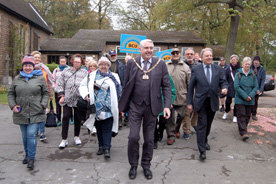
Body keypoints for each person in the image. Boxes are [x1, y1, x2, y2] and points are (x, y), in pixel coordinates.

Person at [119, 39, 171, 180]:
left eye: (151, 48)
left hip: (152, 107)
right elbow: (126, 85)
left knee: (149, 139)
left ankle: (146, 165)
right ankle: (133, 165)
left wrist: (166, 106)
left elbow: (166, 86)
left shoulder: (160, 64)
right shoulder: (132, 63)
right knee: (133, 137)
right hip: (135, 106)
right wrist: (123, 106)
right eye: (146, 48)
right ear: (140, 50)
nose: (149, 50)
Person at [8, 55, 49, 170]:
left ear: (33, 66)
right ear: (23, 67)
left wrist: (43, 104)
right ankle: (27, 154)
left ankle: (31, 158)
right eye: (25, 65)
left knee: (31, 134)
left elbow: (45, 93)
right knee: (25, 135)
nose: (27, 68)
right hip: (21, 111)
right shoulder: (17, 78)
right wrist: (13, 106)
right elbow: (11, 93)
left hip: (36, 110)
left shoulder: (40, 78)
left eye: (29, 66)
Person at [187, 48, 227, 161]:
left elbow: (223, 81)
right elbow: (191, 88)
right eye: (207, 56)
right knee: (202, 125)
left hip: (213, 101)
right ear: (202, 58)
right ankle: (202, 151)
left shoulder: (218, 69)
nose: (209, 57)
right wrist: (189, 103)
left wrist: (224, 88)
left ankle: (204, 140)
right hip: (201, 102)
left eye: (211, 56)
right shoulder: (196, 69)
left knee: (208, 125)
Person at [79, 56, 121, 158]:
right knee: (99, 128)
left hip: (109, 108)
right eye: (101, 64)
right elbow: (82, 85)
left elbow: (119, 91)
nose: (103, 66)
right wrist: (85, 95)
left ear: (109, 66)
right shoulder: (92, 75)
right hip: (96, 108)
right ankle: (101, 146)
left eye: (106, 65)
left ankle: (107, 148)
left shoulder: (114, 76)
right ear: (99, 65)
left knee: (107, 128)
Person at [57, 54, 88, 148]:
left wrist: (86, 95)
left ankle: (76, 136)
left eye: (79, 62)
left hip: (79, 99)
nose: (77, 63)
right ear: (72, 61)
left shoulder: (84, 72)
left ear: (81, 62)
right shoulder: (66, 70)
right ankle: (64, 139)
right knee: (66, 116)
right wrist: (61, 95)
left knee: (78, 118)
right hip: (67, 98)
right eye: (75, 61)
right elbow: (60, 83)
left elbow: (87, 84)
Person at [166, 48, 191, 143]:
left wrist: (190, 98)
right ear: (171, 54)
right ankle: (171, 136)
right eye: (173, 53)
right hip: (169, 96)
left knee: (182, 115)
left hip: (182, 96)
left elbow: (189, 83)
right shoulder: (166, 66)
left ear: (180, 54)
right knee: (170, 117)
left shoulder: (185, 67)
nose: (175, 54)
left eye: (177, 53)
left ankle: (176, 128)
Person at [31, 51, 53, 141]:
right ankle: (34, 131)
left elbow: (48, 82)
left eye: (38, 57)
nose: (37, 59)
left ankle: (42, 133)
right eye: (35, 57)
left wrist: (50, 94)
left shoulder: (44, 69)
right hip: (32, 95)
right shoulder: (29, 68)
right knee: (33, 114)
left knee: (42, 114)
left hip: (43, 94)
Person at [234, 57, 258, 140]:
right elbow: (236, 87)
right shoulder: (238, 74)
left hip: (250, 99)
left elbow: (256, 87)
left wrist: (250, 96)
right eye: (246, 64)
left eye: (249, 64)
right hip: (240, 99)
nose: (247, 65)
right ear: (242, 64)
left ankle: (243, 128)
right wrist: (245, 96)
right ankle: (243, 132)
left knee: (247, 115)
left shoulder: (253, 75)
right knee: (241, 115)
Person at [154, 74, 176, 149]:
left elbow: (172, 90)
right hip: (152, 103)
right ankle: (154, 140)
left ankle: (160, 130)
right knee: (152, 123)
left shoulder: (166, 76)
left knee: (163, 122)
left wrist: (170, 102)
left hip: (164, 103)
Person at [223, 55, 240, 123]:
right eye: (232, 59)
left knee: (236, 103)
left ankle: (235, 115)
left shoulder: (240, 69)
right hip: (230, 87)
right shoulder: (228, 69)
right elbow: (225, 78)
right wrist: (226, 87)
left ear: (237, 60)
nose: (233, 61)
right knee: (228, 102)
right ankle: (226, 112)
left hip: (237, 88)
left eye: (234, 59)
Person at [52, 56, 68, 126]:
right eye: (61, 62)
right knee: (58, 106)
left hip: (67, 91)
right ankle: (59, 119)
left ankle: (68, 118)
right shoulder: (56, 70)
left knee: (67, 106)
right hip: (58, 91)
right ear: (59, 62)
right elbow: (53, 80)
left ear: (66, 62)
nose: (62, 63)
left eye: (64, 62)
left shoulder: (69, 69)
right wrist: (55, 89)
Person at [250, 56, 266, 121]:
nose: (256, 62)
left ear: (259, 62)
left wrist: (260, 89)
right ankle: (248, 113)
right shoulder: (250, 67)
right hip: (250, 87)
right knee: (248, 100)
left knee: (255, 102)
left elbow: (263, 80)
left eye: (257, 61)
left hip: (257, 88)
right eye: (255, 61)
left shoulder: (262, 70)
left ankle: (254, 114)